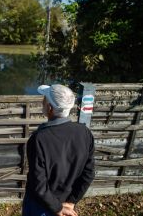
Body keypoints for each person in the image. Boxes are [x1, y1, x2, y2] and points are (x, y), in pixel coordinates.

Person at [22, 84, 95, 216]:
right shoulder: (85, 133)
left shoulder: (39, 139)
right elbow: (88, 173)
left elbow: (39, 184)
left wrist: (57, 208)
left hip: (40, 206)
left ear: (49, 108)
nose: (42, 101)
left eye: (44, 99)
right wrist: (71, 201)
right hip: (67, 203)